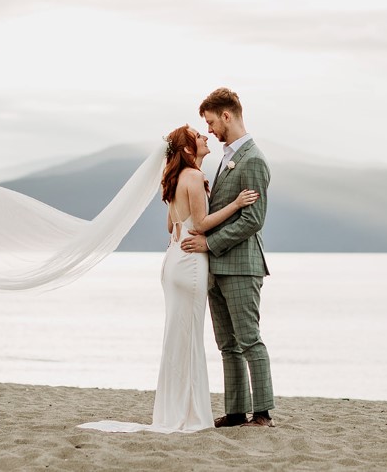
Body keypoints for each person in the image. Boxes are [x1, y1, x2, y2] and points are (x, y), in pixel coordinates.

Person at [79, 124, 257, 434]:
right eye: (198, 136)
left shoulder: (175, 179)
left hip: (174, 260)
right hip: (190, 263)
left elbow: (170, 225)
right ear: (188, 149)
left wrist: (184, 225)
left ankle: (174, 410)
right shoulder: (194, 177)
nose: (205, 137)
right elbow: (200, 224)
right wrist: (236, 204)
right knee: (189, 339)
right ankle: (188, 415)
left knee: (177, 339)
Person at [181, 87, 274, 428]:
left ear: (226, 115)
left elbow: (253, 220)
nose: (208, 130)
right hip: (217, 267)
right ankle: (236, 412)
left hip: (241, 266)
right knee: (227, 345)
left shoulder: (253, 159)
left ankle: (262, 414)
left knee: (249, 339)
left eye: (211, 122)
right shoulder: (227, 157)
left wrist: (209, 244)